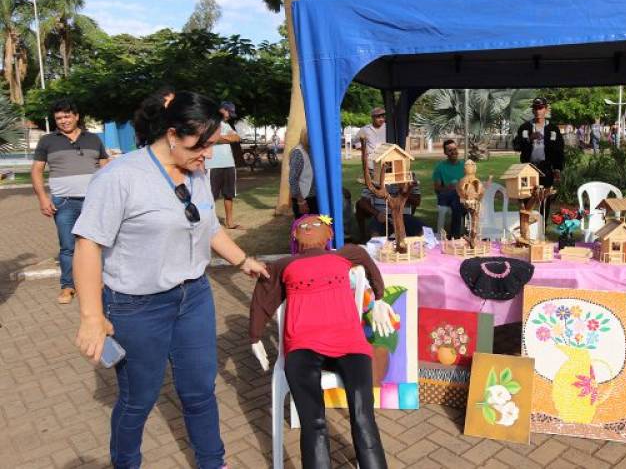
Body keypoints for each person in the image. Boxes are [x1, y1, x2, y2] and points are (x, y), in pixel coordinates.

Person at [71, 92, 269, 469]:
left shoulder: (196, 171)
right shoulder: (120, 177)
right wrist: (92, 317)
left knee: (199, 391)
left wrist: (243, 260)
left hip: (193, 298)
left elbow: (207, 225)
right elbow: (88, 246)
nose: (209, 154)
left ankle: (213, 462)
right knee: (139, 399)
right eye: (204, 145)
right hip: (137, 307)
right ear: (174, 134)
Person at [249, 214, 391, 469]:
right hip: (303, 345)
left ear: (329, 234)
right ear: (295, 235)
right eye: (303, 226)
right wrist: (255, 336)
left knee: (363, 415)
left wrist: (379, 297)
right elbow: (263, 292)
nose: (309, 228)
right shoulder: (284, 264)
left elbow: (366, 260)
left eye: (317, 225)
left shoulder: (345, 254)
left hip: (349, 343)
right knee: (312, 420)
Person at [31, 99, 109, 305]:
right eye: (59, 118)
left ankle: (99, 282)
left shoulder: (93, 139)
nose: (63, 121)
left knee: (96, 244)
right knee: (67, 247)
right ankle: (68, 286)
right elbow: (36, 171)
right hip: (63, 203)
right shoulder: (47, 141)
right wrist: (42, 199)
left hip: (92, 202)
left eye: (67, 116)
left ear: (76, 116)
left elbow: (106, 168)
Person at [514, 97, 565, 221]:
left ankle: (542, 228)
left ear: (546, 109)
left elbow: (559, 150)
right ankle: (525, 227)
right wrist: (529, 139)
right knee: (526, 197)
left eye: (541, 108)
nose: (538, 111)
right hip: (528, 168)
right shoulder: (525, 127)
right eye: (536, 108)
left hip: (546, 168)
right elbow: (516, 146)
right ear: (533, 110)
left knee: (545, 199)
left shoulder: (553, 129)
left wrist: (557, 168)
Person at [206, 101, 241, 228]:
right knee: (211, 196)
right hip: (212, 164)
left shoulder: (226, 124)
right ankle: (209, 224)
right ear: (222, 110)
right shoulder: (210, 122)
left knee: (229, 194)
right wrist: (226, 138)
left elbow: (237, 138)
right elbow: (211, 139)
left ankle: (229, 222)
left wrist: (221, 137)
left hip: (229, 164)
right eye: (228, 113)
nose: (229, 116)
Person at [357, 181, 423, 241]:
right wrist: (377, 214)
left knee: (423, 233)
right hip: (382, 216)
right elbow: (363, 201)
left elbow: (417, 201)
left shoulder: (409, 176)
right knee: (375, 236)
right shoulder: (375, 176)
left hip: (404, 215)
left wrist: (404, 192)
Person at [432, 139, 465, 239]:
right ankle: (456, 235)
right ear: (445, 153)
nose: (454, 152)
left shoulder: (464, 166)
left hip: (461, 195)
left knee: (458, 201)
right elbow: (437, 188)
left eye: (455, 149)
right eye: (450, 150)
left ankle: (458, 234)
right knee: (456, 198)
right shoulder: (440, 167)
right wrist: (448, 187)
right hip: (445, 196)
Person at [289, 128, 318, 218]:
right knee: (305, 227)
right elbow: (293, 179)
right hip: (304, 198)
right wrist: (301, 201)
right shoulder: (298, 152)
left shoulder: (313, 151)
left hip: (314, 197)